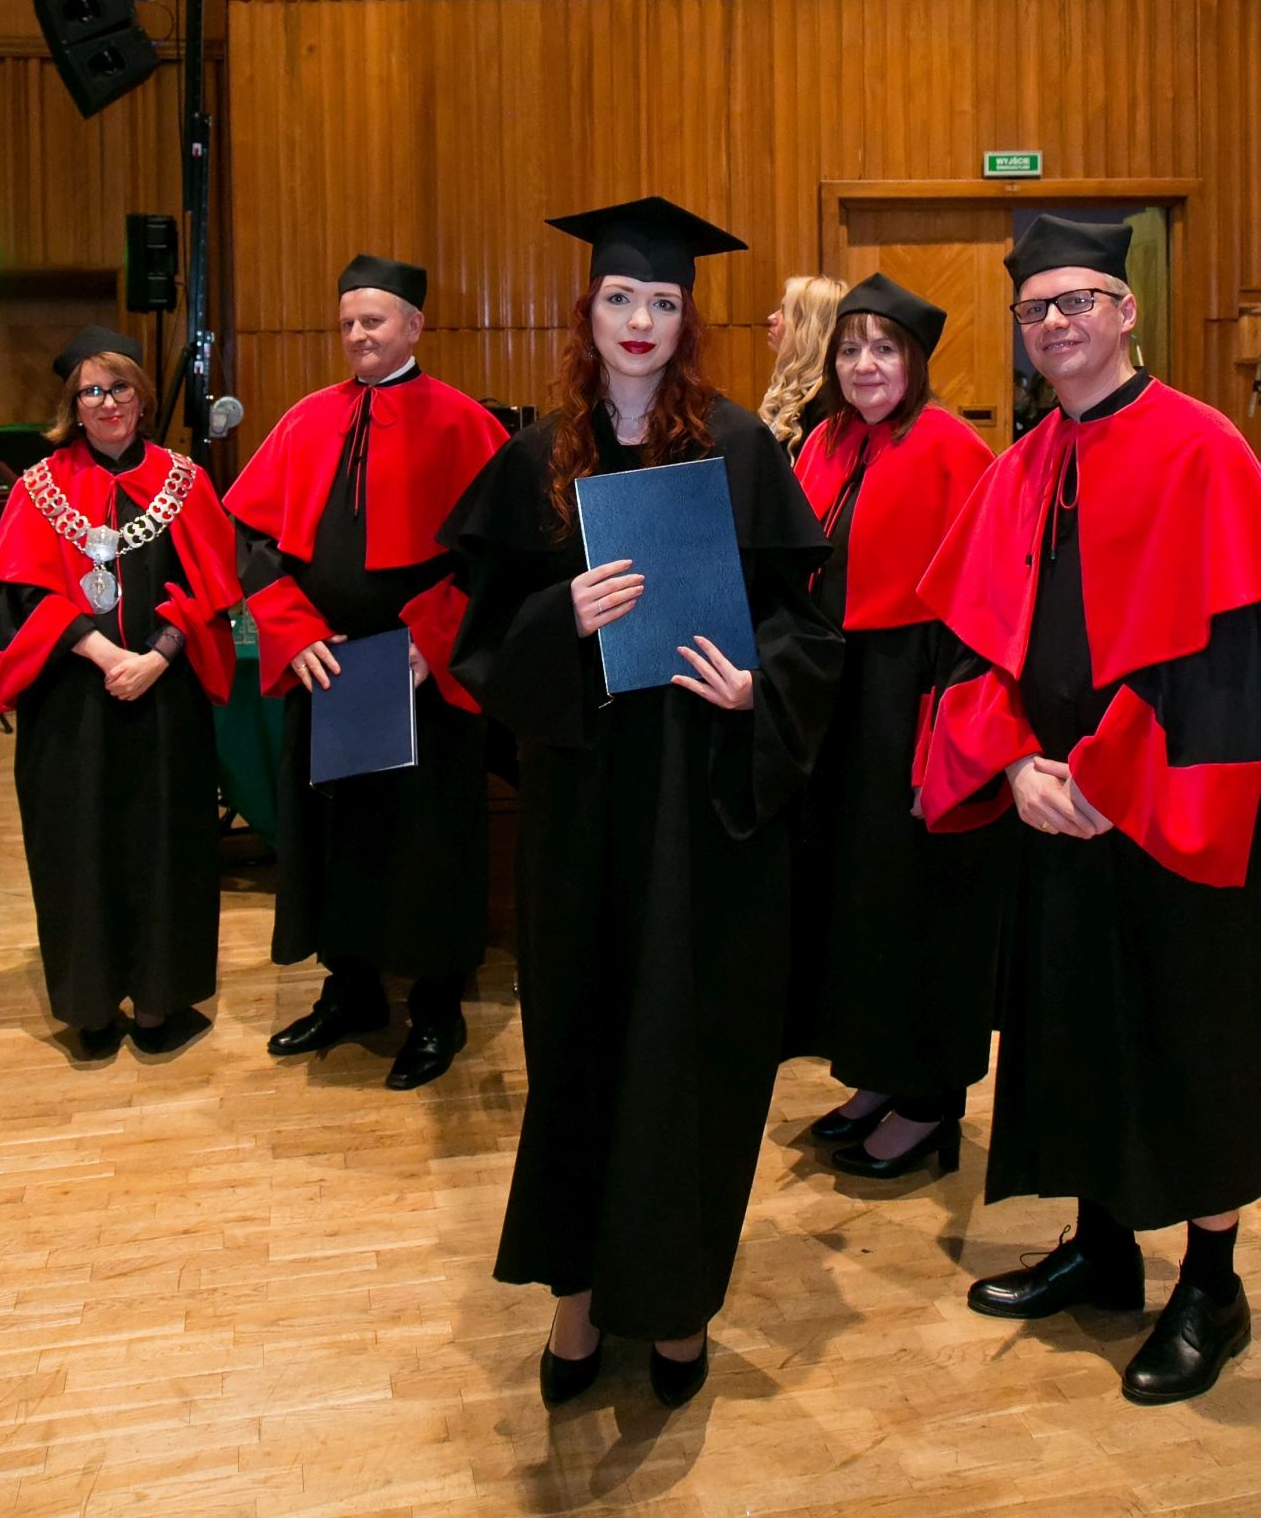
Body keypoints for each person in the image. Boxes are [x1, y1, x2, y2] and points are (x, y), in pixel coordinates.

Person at [442, 196, 842, 1410]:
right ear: (588, 311)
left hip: (699, 804)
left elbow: (806, 630)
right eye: (620, 297)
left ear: (684, 320)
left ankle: (674, 1307)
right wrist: (557, 619)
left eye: (661, 302)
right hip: (582, 808)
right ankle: (573, 1301)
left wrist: (754, 685)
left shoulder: (740, 450)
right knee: (579, 1045)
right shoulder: (535, 462)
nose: (639, 320)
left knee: (688, 1050)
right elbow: (480, 640)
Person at [916, 213, 1261, 1406]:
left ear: (1124, 311)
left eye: (1076, 301)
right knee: (1070, 1029)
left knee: (1187, 1038)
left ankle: (1210, 1285)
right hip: (1051, 799)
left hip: (1166, 801)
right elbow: (970, 648)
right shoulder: (1021, 466)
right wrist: (1014, 764)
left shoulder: (1203, 449)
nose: (1055, 322)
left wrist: (1109, 780)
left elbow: (1225, 660)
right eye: (1035, 308)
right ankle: (1102, 1249)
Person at [225, 256, 507, 1090]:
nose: (357, 335)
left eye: (373, 321)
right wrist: (291, 629)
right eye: (348, 322)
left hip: (421, 673)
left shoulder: (462, 423)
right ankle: (350, 991)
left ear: (414, 326)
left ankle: (437, 1008)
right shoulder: (307, 418)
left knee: (429, 844)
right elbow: (253, 541)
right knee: (335, 837)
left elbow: (496, 556)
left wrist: (433, 636)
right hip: (327, 668)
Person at [785, 275, 1002, 1177]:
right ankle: (873, 1072)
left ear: (915, 361)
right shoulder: (824, 442)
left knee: (914, 901)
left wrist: (948, 734)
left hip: (912, 697)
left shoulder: (954, 449)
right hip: (836, 697)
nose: (864, 365)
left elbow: (983, 607)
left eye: (884, 348)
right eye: (849, 349)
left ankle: (928, 1102)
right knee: (854, 899)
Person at [0, 325, 239, 1057]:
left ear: (141, 394)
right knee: (78, 850)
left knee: (167, 847)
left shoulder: (184, 481)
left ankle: (159, 1005)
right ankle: (90, 1008)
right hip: (71, 704)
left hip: (165, 696)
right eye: (91, 391)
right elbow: (21, 598)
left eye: (119, 386)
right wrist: (101, 653)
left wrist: (156, 656)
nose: (107, 402)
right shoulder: (38, 489)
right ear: (73, 405)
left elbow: (211, 587)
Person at [759, 274, 847, 461]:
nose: (771, 317)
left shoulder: (830, 399)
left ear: (808, 326)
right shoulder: (794, 387)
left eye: (784, 311)